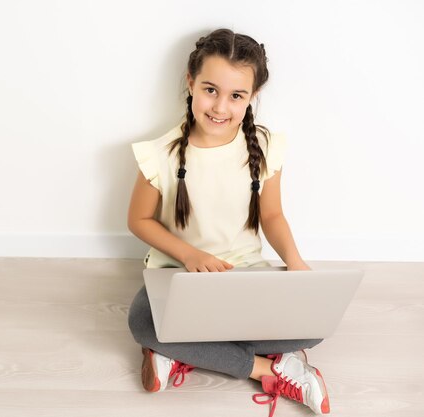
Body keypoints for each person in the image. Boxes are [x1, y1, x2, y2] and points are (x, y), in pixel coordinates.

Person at [126, 28, 330, 417]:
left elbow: (271, 215)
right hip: (177, 276)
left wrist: (296, 264)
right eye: (210, 90)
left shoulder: (265, 146)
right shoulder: (159, 154)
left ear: (252, 97)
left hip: (245, 276)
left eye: (236, 95)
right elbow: (138, 219)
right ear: (191, 82)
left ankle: (184, 350)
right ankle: (268, 368)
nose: (220, 107)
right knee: (140, 323)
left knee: (315, 325)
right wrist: (188, 254)